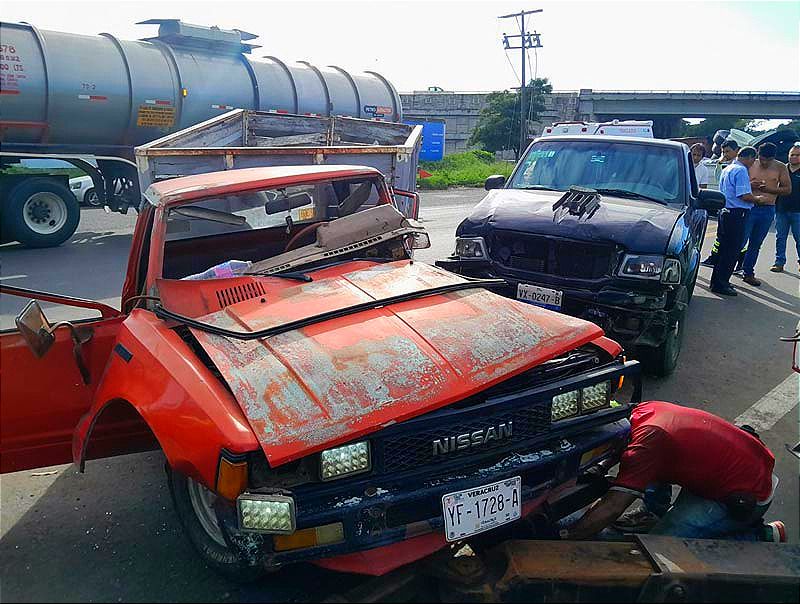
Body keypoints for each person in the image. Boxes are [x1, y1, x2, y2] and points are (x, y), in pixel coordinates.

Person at [560, 401, 786, 542]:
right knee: (643, 466)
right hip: (731, 469)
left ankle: (759, 535)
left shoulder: (646, 443)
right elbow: (624, 451)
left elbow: (613, 507)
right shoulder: (643, 412)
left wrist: (569, 535)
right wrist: (601, 468)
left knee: (660, 549)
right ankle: (652, 512)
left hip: (744, 497)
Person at [738, 143, 792, 286]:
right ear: (757, 155)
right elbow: (738, 183)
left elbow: (787, 189)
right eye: (762, 159)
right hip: (749, 207)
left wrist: (769, 189)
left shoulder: (780, 167)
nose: (765, 162)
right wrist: (751, 186)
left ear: (773, 158)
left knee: (756, 243)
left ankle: (748, 272)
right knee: (740, 241)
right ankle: (726, 270)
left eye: (768, 160)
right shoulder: (750, 163)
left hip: (767, 209)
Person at [701, 139, 741, 267]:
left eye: (728, 151)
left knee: (737, 241)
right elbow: (718, 179)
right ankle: (714, 258)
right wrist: (720, 163)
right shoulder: (724, 165)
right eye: (723, 152)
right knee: (720, 237)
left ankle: (741, 262)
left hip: (735, 209)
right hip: (724, 206)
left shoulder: (741, 169)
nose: (725, 154)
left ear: (737, 151)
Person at [771, 142, 800, 272]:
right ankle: (779, 262)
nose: (794, 157)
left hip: (798, 211)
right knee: (780, 238)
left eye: (797, 155)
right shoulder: (782, 169)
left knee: (799, 239)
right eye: (792, 155)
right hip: (781, 210)